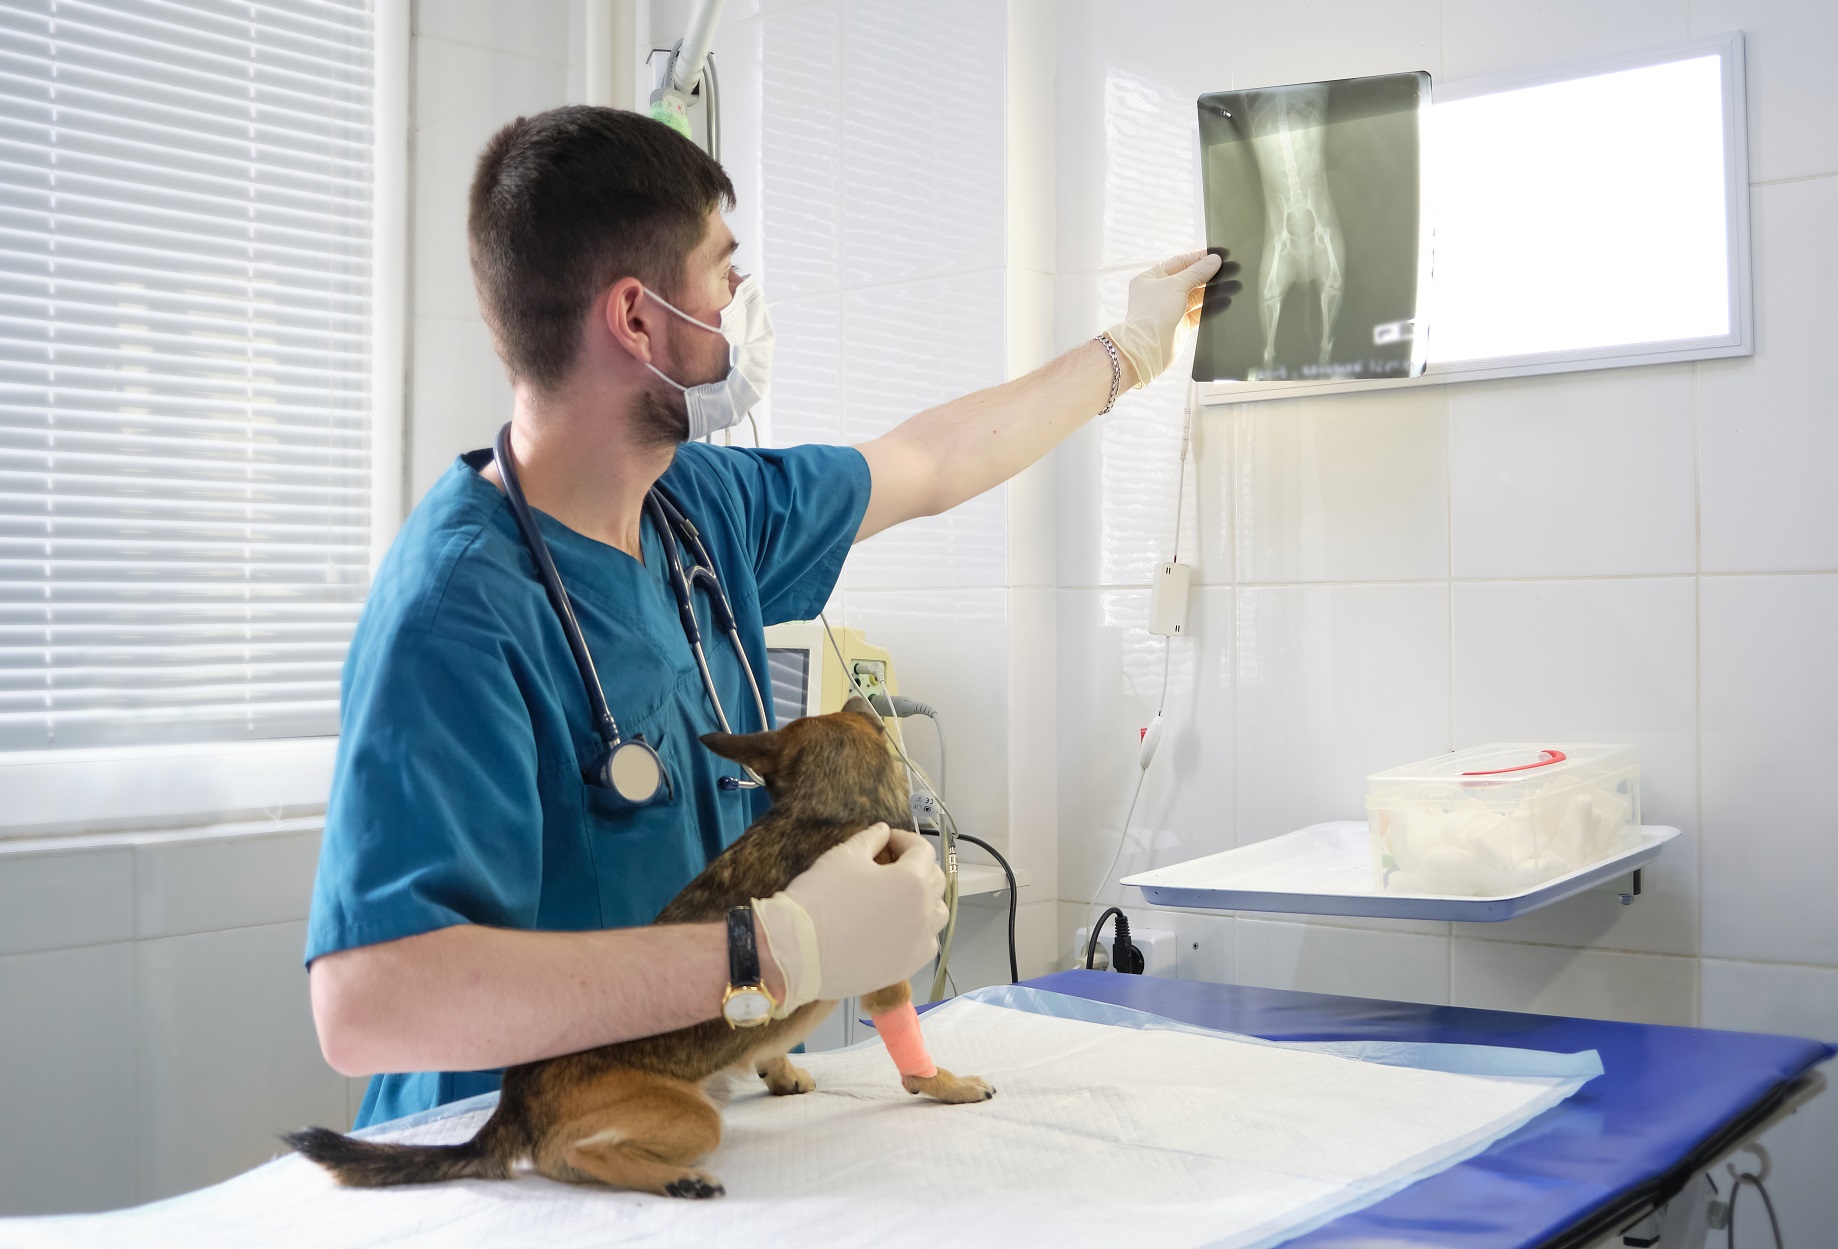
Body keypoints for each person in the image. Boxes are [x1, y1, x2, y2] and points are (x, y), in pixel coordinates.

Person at [305, 105, 1220, 1127]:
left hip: (665, 1133)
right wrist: (765, 950)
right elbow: (370, 1005)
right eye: (722, 266)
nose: (741, 294)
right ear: (638, 319)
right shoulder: (457, 613)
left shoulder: (699, 509)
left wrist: (1130, 351)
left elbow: (928, 462)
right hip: (498, 1166)